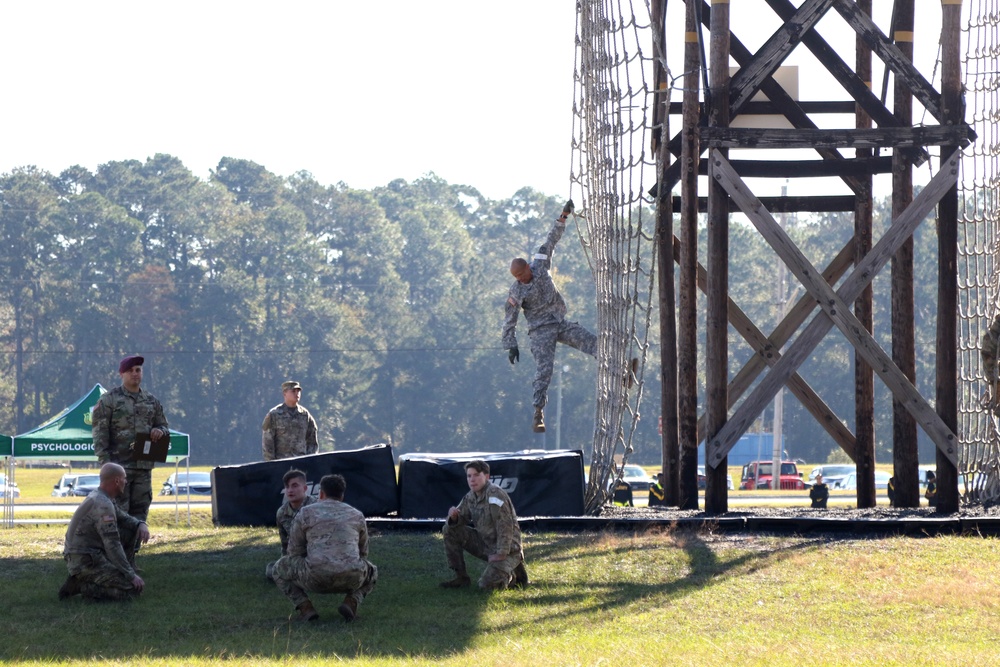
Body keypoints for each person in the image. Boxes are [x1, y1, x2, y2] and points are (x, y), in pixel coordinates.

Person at [502, 200, 599, 433]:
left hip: (559, 321)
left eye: (522, 275)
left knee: (593, 342)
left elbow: (551, 240)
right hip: (540, 330)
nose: (521, 279)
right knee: (545, 369)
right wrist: (511, 345)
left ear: (527, 268)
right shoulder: (516, 291)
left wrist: (563, 215)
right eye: (517, 277)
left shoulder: (540, 264)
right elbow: (510, 319)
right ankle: (538, 413)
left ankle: (621, 372)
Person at [272, 474, 377, 622]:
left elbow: (293, 551)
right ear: (342, 495)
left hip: (315, 577)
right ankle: (351, 601)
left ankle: (305, 607)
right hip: (351, 577)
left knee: (278, 568)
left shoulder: (305, 513)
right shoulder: (357, 515)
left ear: (321, 493)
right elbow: (363, 552)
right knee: (373, 571)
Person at [92, 354, 169, 524]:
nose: (135, 373)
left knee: (140, 513)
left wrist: (159, 431)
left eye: (138, 370)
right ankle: (119, 550)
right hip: (119, 469)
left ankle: (134, 550)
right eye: (130, 370)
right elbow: (100, 434)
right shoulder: (109, 400)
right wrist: (106, 465)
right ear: (122, 374)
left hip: (143, 468)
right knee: (118, 513)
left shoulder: (151, 401)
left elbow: (164, 426)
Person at [59, 463, 150, 601]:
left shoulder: (103, 497)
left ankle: (102, 576)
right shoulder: (103, 504)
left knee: (132, 529)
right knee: (131, 591)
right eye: (124, 478)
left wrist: (140, 524)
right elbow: (112, 545)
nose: (126, 482)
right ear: (117, 481)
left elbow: (123, 518)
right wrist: (130, 576)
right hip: (85, 559)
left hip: (90, 554)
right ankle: (82, 586)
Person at [440, 460, 527, 590]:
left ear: (486, 476)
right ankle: (461, 578)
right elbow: (460, 518)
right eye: (469, 476)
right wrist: (454, 517)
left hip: (507, 550)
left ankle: (513, 574)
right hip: (487, 544)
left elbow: (505, 527)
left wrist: (501, 554)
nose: (472, 479)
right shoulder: (471, 496)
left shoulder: (495, 494)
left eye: (476, 475)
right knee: (449, 529)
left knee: (486, 585)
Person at [266, 468, 317, 581]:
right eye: (287, 487)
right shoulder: (282, 513)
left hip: (319, 555)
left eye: (294, 486)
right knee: (272, 570)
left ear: (304, 488)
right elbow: (285, 545)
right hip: (298, 557)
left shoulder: (317, 507)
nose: (290, 490)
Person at [262, 380, 319, 461]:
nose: (297, 393)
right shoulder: (274, 415)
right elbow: (268, 443)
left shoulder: (305, 415)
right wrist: (272, 465)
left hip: (301, 464)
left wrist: (310, 461)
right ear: (284, 393)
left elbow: (312, 441)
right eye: (293, 391)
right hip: (281, 464)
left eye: (298, 391)